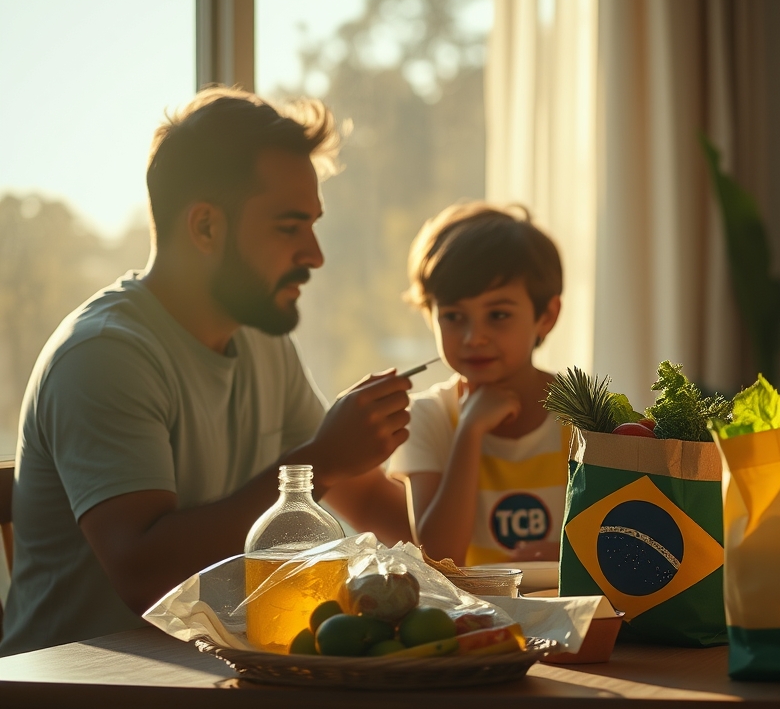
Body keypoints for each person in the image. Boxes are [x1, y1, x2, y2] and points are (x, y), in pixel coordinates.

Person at [0, 88, 416, 657]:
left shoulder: (263, 343)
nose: (316, 254)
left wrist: (473, 493)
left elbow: (365, 497)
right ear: (205, 227)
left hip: (209, 683)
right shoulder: (103, 355)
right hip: (83, 702)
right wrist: (325, 458)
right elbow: (145, 577)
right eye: (289, 227)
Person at [387, 203, 566, 566]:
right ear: (431, 316)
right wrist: (469, 430)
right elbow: (440, 556)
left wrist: (571, 556)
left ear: (546, 316)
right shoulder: (428, 417)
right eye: (453, 316)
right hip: (471, 621)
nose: (474, 337)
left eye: (498, 315)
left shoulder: (584, 416)